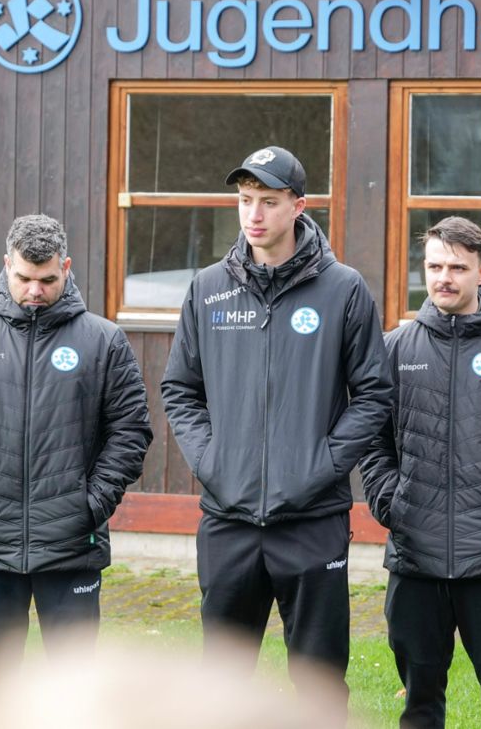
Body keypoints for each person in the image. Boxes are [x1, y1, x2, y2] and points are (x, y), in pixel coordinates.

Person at [161, 145, 393, 698]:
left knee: (318, 684)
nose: (254, 214)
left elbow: (374, 392)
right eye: (245, 200)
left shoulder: (343, 290)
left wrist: (323, 464)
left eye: (268, 200)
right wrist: (213, 463)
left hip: (312, 522)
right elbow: (180, 389)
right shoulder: (208, 289)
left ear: (299, 205)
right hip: (228, 518)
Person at [0, 214, 152, 687]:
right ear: (6, 266)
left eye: (47, 280)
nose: (34, 291)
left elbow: (131, 431)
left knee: (74, 686)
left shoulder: (103, 341)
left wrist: (91, 504)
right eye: (23, 278)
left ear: (67, 267)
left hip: (72, 544)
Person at [360, 217, 481, 728]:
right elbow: (372, 437)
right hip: (414, 557)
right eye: (435, 266)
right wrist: (390, 502)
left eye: (458, 267)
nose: (444, 277)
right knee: (419, 704)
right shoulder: (396, 348)